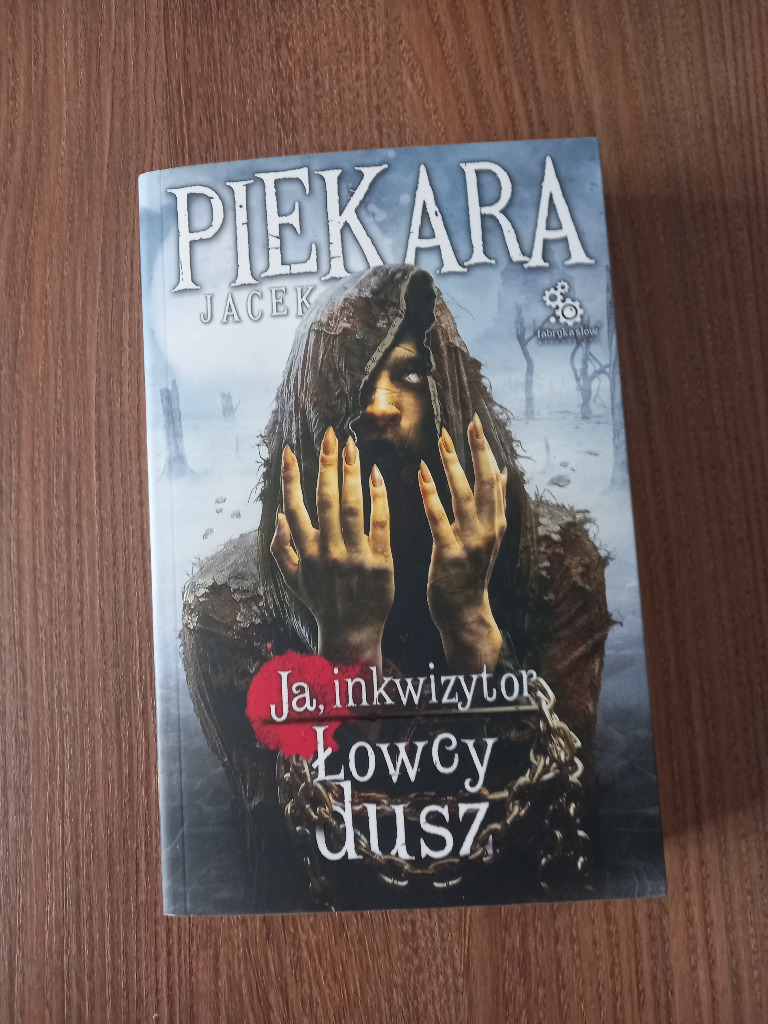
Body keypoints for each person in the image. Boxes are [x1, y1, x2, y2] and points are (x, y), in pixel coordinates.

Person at [181, 264, 611, 909]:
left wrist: (472, 625)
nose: (380, 406)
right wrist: (347, 651)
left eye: (410, 376)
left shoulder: (551, 564)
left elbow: (560, 829)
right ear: (313, 399)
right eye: (353, 382)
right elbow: (289, 860)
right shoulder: (229, 605)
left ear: (450, 396)